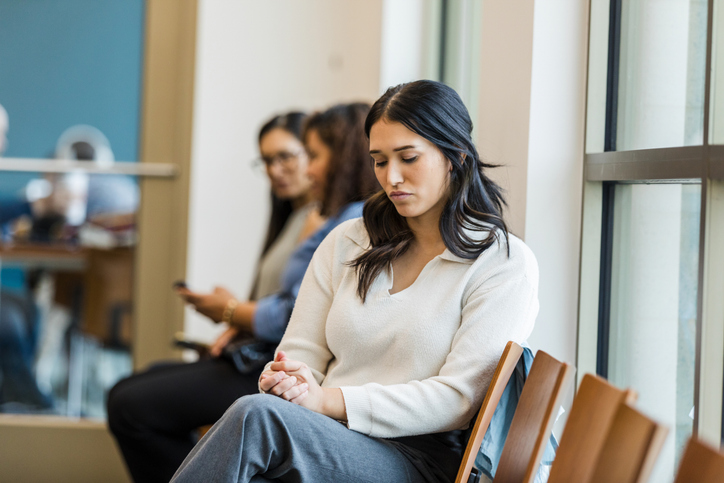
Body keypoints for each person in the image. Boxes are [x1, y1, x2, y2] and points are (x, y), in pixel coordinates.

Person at [171, 80, 540, 483]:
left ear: (456, 155)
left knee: (255, 417)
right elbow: (301, 352)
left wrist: (328, 400)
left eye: (408, 157)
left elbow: (457, 399)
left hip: (418, 457)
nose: (392, 176)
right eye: (379, 161)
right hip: (329, 435)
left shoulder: (501, 263)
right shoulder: (348, 241)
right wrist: (290, 380)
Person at [107, 104, 378, 483]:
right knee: (134, 389)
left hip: (277, 361)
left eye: (301, 156)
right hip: (270, 356)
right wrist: (239, 320)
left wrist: (234, 312)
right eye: (267, 161)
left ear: (344, 156)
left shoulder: (347, 223)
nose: (285, 170)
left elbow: (294, 312)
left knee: (131, 405)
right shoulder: (317, 219)